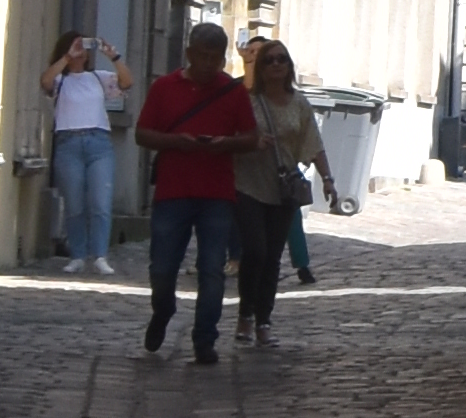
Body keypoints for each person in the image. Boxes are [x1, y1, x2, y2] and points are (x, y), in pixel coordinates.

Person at [135, 23, 258, 363]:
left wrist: (224, 144)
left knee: (211, 269)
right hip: (173, 191)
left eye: (215, 58)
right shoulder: (165, 87)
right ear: (189, 53)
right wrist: (177, 141)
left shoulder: (232, 93)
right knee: (162, 265)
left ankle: (205, 338)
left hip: (216, 193)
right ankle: (163, 309)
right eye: (202, 56)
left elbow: (251, 138)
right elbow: (142, 134)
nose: (208, 65)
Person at [230, 40, 341, 352]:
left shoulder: (299, 103)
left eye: (282, 60)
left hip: (283, 190)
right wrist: (251, 141)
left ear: (289, 66)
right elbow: (230, 134)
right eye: (270, 60)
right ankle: (245, 315)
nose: (276, 65)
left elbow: (313, 143)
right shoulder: (248, 101)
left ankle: (263, 320)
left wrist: (328, 179)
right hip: (249, 184)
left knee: (272, 258)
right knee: (254, 251)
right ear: (261, 67)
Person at [45, 30, 124, 274]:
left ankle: (100, 255)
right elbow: (45, 82)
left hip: (98, 142)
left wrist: (114, 57)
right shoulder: (61, 80)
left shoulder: (99, 78)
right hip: (68, 142)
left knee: (100, 202)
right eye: (76, 47)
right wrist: (67, 59)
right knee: (75, 203)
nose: (81, 52)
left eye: (84, 48)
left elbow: (126, 83)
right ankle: (78, 254)